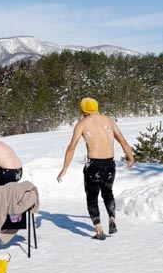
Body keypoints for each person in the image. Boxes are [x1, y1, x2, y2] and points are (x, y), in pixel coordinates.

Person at [57, 97, 134, 240]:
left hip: (94, 165)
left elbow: (71, 147)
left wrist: (65, 168)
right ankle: (112, 218)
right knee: (107, 192)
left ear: (82, 110)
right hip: (110, 164)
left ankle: (99, 230)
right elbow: (122, 140)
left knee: (92, 197)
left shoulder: (82, 124)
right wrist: (130, 157)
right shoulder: (108, 120)